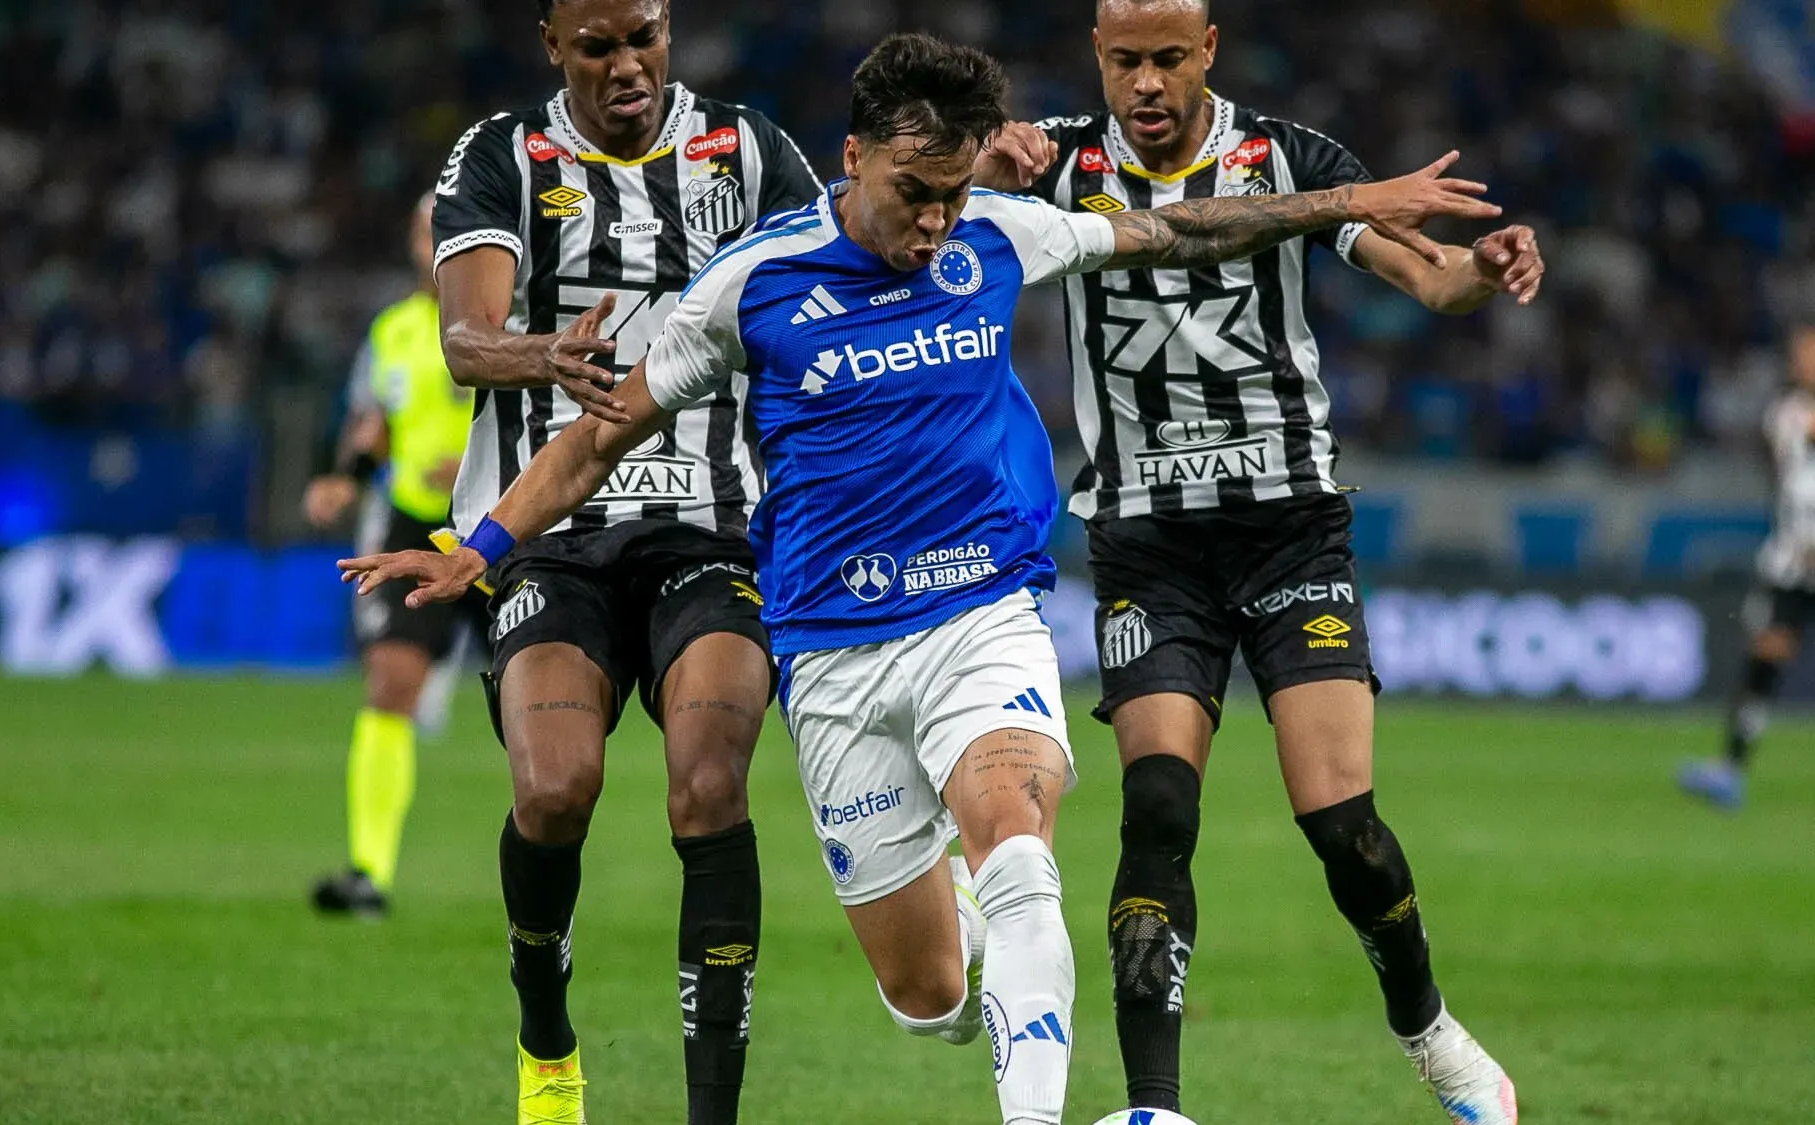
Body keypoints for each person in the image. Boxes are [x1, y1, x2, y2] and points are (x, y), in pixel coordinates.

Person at [343, 30, 1499, 1124]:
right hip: (832, 653)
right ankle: (943, 914)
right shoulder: (755, 282)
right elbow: (600, 437)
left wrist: (1347, 202)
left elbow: (1182, 229)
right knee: (927, 1000)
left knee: (1022, 857)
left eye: (951, 192)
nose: (935, 221)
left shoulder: (997, 231)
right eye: (913, 193)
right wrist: (479, 547)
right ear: (852, 160)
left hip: (979, 614)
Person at [969, 2, 1544, 1121]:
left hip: (1288, 527)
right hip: (1146, 541)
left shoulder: (1286, 157)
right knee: (1156, 807)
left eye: (1166, 59)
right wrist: (983, 175)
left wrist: (1483, 267)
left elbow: (1431, 279)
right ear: (1097, 57)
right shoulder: (1057, 167)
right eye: (1124, 61)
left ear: (1208, 51)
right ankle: (1153, 1105)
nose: (1145, 83)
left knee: (1343, 828)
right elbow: (916, 217)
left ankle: (1427, 1029)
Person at [426, 0, 820, 1120]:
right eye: (596, 46)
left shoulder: (748, 150)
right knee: (555, 793)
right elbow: (464, 340)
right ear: (554, 46)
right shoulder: (501, 154)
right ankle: (546, 1042)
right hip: (549, 535)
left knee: (709, 785)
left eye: (643, 36)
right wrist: (539, 353)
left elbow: (840, 276)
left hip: (715, 531)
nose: (626, 64)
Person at [304, 195, 481, 920]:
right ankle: (368, 873)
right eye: (425, 232)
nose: (435, 244)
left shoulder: (508, 322)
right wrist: (346, 475)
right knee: (390, 683)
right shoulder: (393, 331)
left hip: (503, 523)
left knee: (540, 695)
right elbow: (373, 421)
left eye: (449, 231)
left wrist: (479, 461)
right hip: (413, 525)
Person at [1681, 321, 1815, 810]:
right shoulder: (1786, 413)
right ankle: (1730, 769)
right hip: (1794, 562)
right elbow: (1793, 473)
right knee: (1765, 655)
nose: (1801, 362)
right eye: (1798, 354)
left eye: (1809, 353)